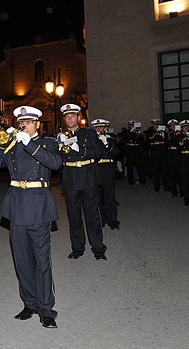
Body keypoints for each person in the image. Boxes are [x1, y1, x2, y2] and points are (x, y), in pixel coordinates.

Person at [0, 106, 61, 328]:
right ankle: (30, 303)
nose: (24, 126)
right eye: (21, 122)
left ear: (38, 124)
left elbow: (55, 163)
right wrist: (1, 142)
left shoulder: (48, 143)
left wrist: (30, 145)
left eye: (28, 122)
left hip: (38, 206)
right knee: (22, 261)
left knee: (42, 261)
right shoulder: (12, 143)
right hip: (17, 207)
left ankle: (46, 309)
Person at [58, 104, 107, 260]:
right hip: (71, 178)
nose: (69, 119)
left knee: (92, 215)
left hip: (88, 177)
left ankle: (98, 248)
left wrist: (79, 148)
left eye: (72, 116)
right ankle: (77, 247)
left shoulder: (90, 133)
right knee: (74, 216)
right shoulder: (60, 136)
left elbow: (99, 152)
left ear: (79, 117)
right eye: (66, 116)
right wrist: (60, 146)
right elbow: (56, 160)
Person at [93, 119, 120, 230]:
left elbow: (116, 153)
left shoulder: (111, 140)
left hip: (108, 170)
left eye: (101, 127)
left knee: (110, 196)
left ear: (105, 128)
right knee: (98, 197)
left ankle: (113, 220)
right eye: (97, 128)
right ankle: (101, 219)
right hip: (97, 169)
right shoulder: (92, 140)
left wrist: (106, 144)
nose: (99, 130)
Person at [146, 119, 167, 192]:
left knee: (164, 169)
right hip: (154, 151)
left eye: (157, 124)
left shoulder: (162, 131)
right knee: (155, 170)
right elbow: (149, 140)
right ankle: (156, 186)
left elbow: (165, 140)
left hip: (162, 151)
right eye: (155, 124)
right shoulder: (149, 131)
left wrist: (163, 134)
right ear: (152, 124)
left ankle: (166, 186)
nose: (156, 125)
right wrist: (156, 133)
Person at [124, 120, 146, 185]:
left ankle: (142, 180)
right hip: (130, 150)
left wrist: (137, 133)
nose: (132, 126)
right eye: (131, 125)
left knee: (140, 166)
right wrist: (131, 132)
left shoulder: (138, 133)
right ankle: (130, 181)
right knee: (129, 166)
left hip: (137, 150)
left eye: (133, 125)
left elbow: (141, 140)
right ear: (129, 126)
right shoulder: (127, 132)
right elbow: (126, 139)